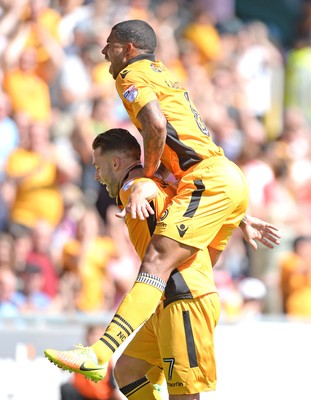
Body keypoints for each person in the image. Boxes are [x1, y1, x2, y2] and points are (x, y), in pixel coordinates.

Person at [45, 128, 281, 400]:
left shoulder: (133, 187)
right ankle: (101, 355)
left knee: (184, 396)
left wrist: (139, 187)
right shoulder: (164, 185)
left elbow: (144, 186)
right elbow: (184, 196)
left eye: (98, 167)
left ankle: (99, 353)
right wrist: (240, 218)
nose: (96, 176)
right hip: (164, 300)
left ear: (115, 163)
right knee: (128, 372)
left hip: (186, 297)